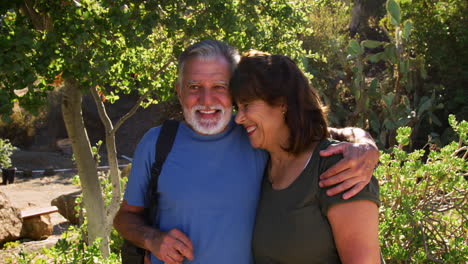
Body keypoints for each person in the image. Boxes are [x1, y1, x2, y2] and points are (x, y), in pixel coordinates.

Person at [113, 40, 380, 264]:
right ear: (179, 91)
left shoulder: (257, 138)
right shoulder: (157, 143)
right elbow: (125, 217)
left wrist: (365, 144)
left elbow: (316, 135)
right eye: (194, 87)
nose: (207, 100)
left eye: (219, 87)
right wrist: (153, 239)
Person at [230, 50, 381, 264]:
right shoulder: (259, 163)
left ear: (282, 102)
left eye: (246, 105)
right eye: (237, 107)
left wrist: (366, 144)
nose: (239, 118)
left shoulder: (339, 166)